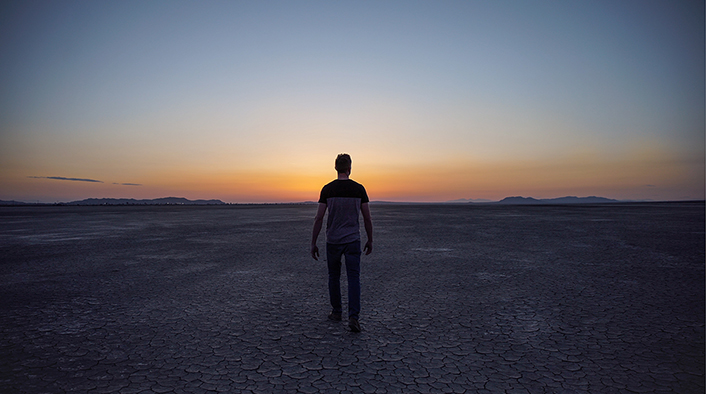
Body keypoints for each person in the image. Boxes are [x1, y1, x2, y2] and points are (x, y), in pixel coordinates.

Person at [311, 153, 373, 333]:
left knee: (334, 276)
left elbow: (319, 218)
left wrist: (313, 242)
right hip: (353, 239)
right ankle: (353, 317)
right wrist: (370, 239)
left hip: (333, 240)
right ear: (349, 168)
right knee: (354, 277)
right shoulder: (359, 189)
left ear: (336, 168)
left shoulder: (327, 189)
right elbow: (367, 218)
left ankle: (337, 312)